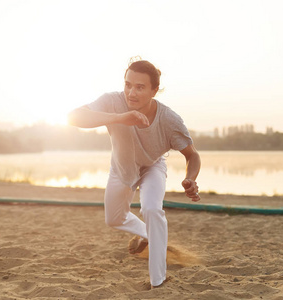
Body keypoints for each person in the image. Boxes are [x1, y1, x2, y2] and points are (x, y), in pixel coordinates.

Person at [67, 58, 201, 288]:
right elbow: (74, 117)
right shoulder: (112, 101)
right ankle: (148, 235)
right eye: (128, 85)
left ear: (154, 91)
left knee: (151, 209)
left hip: (152, 167)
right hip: (121, 168)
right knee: (113, 218)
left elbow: (192, 155)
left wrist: (190, 178)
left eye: (140, 87)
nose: (132, 92)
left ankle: (158, 280)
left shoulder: (169, 119)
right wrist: (120, 118)